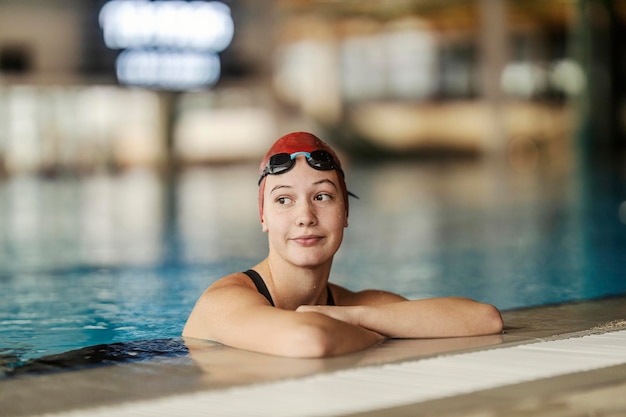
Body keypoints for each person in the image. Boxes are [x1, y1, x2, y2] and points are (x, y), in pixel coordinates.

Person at [183, 132, 503, 358]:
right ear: (263, 216)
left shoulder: (353, 307)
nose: (305, 217)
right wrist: (388, 329)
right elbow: (310, 340)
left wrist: (355, 318)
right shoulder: (225, 301)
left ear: (345, 211)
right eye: (284, 200)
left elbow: (484, 320)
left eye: (322, 196)